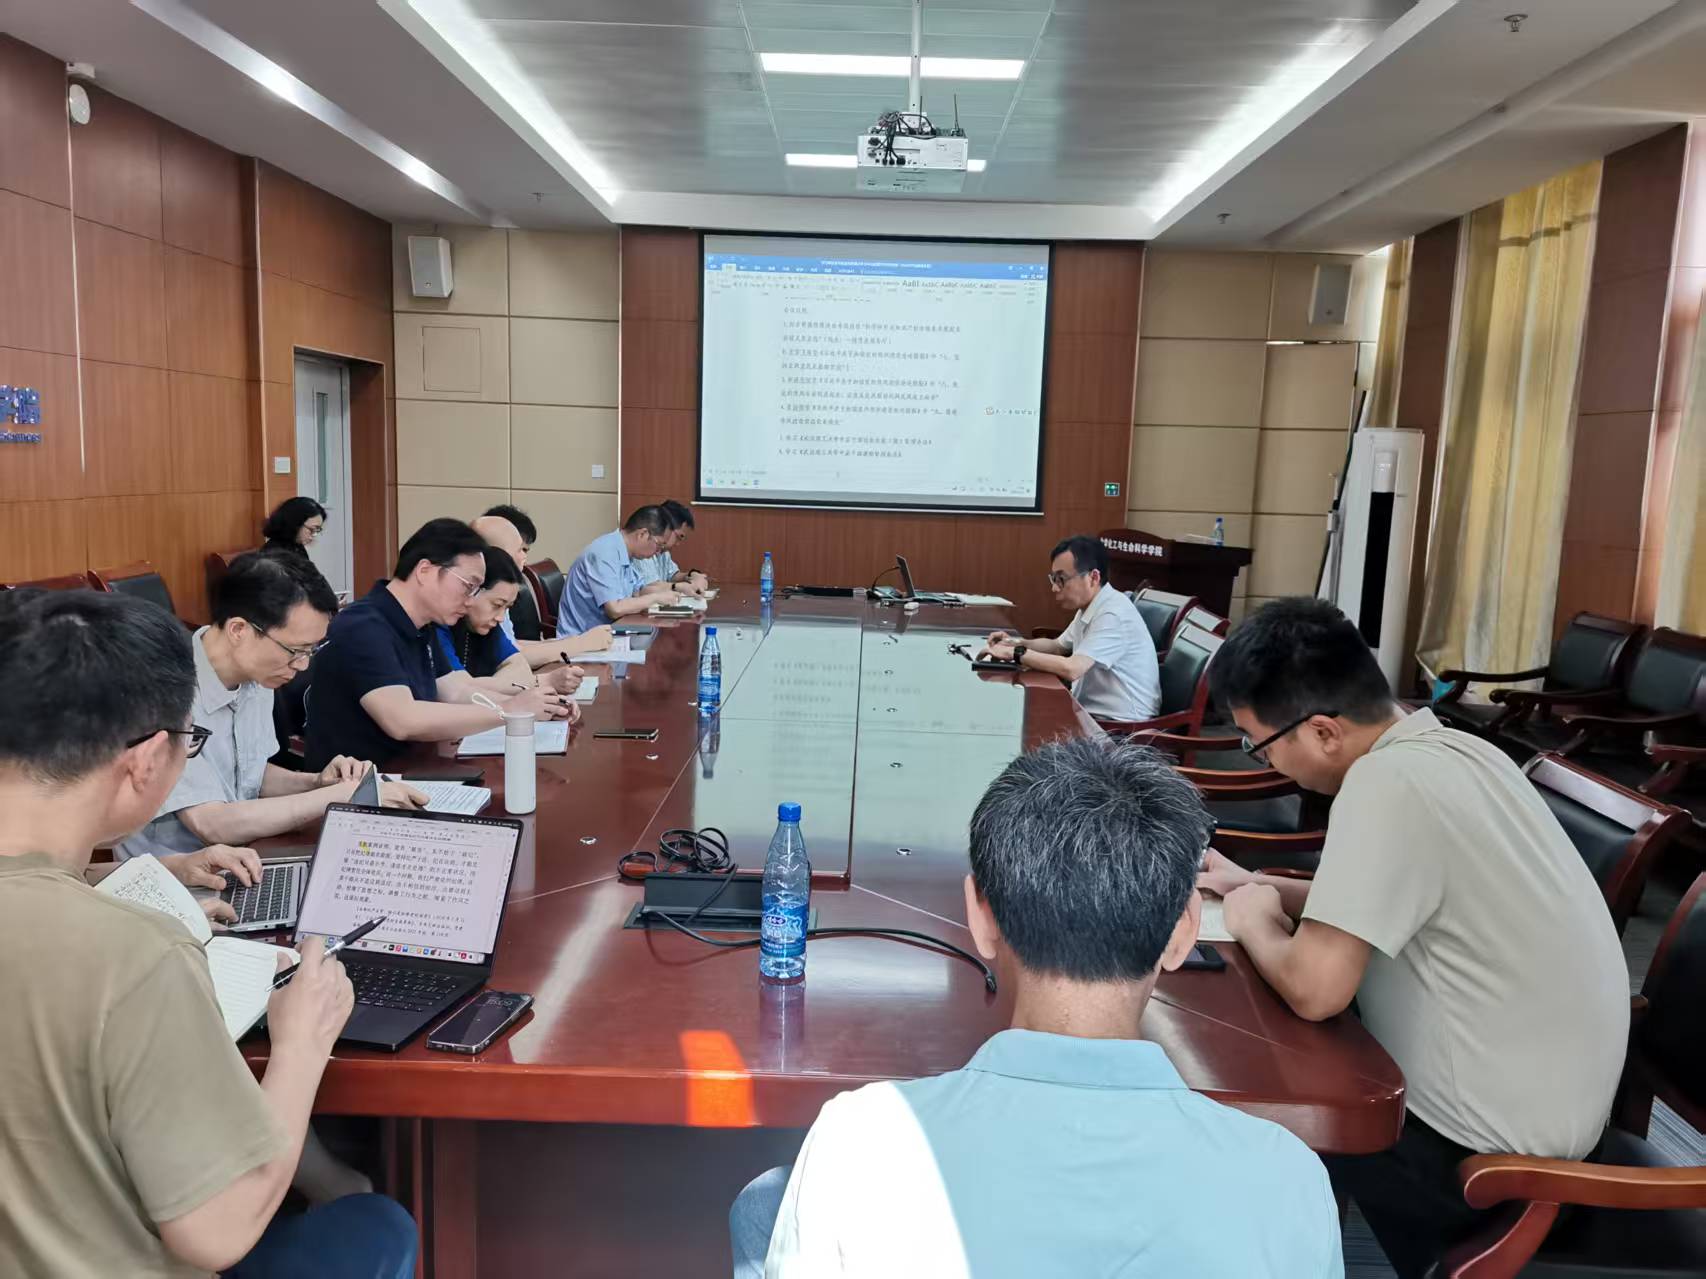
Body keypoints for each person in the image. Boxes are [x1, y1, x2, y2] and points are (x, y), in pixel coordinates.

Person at [731, 738, 1342, 1278]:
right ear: (1184, 931)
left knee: (764, 1204)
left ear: (981, 918)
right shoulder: (1286, 1177)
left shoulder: (860, 1144)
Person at [1196, 597, 1629, 1279]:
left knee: (1246, 1124)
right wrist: (1257, 884)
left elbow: (1315, 989)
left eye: (1260, 743)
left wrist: (1252, 918)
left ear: (1323, 731)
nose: (1266, 761)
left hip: (1486, 1167)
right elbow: (1393, 900)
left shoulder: (1387, 783)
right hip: (1555, 1122)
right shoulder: (1459, 750)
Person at [0, 588, 417, 1278]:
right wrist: (303, 1042)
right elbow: (217, 1231)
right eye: (188, 742)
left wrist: (145, 870)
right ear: (146, 760)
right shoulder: (137, 953)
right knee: (377, 1223)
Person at [116, 551, 424, 863]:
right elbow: (212, 824)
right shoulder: (163, 691)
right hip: (175, 875)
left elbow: (251, 775)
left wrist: (317, 782)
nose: (302, 665)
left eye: (311, 650)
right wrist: (338, 797)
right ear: (239, 630)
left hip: (247, 855)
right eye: (295, 650)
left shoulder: (258, 677)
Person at [304, 519, 574, 772]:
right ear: (425, 571)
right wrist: (512, 711)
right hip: (361, 785)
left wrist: (539, 706)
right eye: (469, 586)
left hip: (413, 770)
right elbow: (403, 720)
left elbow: (455, 693)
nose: (470, 600)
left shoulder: (423, 625)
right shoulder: (364, 626)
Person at [980, 534, 1159, 722]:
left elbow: (1072, 668)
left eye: (1061, 579)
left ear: (1093, 577)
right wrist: (1015, 643)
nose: (1055, 588)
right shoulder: (1092, 605)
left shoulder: (1113, 614)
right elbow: (1057, 646)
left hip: (1121, 728)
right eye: (1053, 579)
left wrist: (1016, 653)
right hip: (1090, 715)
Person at [435, 547, 585, 698]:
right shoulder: (439, 624)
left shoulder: (487, 625)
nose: (500, 617)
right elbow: (458, 690)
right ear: (472, 590)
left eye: (506, 608)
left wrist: (482, 687)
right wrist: (538, 682)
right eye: (497, 605)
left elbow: (519, 666)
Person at [470, 510, 614, 662]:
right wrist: (582, 643)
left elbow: (511, 644)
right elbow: (512, 655)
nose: (524, 557)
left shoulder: (499, 593)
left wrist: (566, 642)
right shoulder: (484, 594)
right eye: (520, 550)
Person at [558, 505, 682, 635]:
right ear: (642, 534)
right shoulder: (605, 553)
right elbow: (615, 609)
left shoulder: (626, 553)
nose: (658, 552)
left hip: (607, 632)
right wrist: (655, 598)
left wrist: (673, 592)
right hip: (581, 639)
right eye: (659, 545)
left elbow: (638, 592)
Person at [634, 499, 709, 595]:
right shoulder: (645, 548)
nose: (678, 544)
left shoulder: (664, 551)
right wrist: (679, 587)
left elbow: (672, 574)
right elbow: (649, 587)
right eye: (679, 537)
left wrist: (692, 575)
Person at [261, 496, 327, 559]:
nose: (314, 535)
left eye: (317, 530)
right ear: (295, 524)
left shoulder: (297, 546)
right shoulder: (274, 555)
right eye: (312, 529)